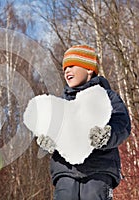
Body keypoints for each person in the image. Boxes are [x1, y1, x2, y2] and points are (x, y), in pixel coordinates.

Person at [37, 45, 131, 200]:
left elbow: (122, 124)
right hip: (65, 169)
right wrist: (48, 139)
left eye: (72, 66)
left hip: (99, 168)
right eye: (65, 68)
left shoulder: (107, 98)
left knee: (93, 195)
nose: (67, 71)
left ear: (88, 69)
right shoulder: (62, 103)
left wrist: (107, 135)